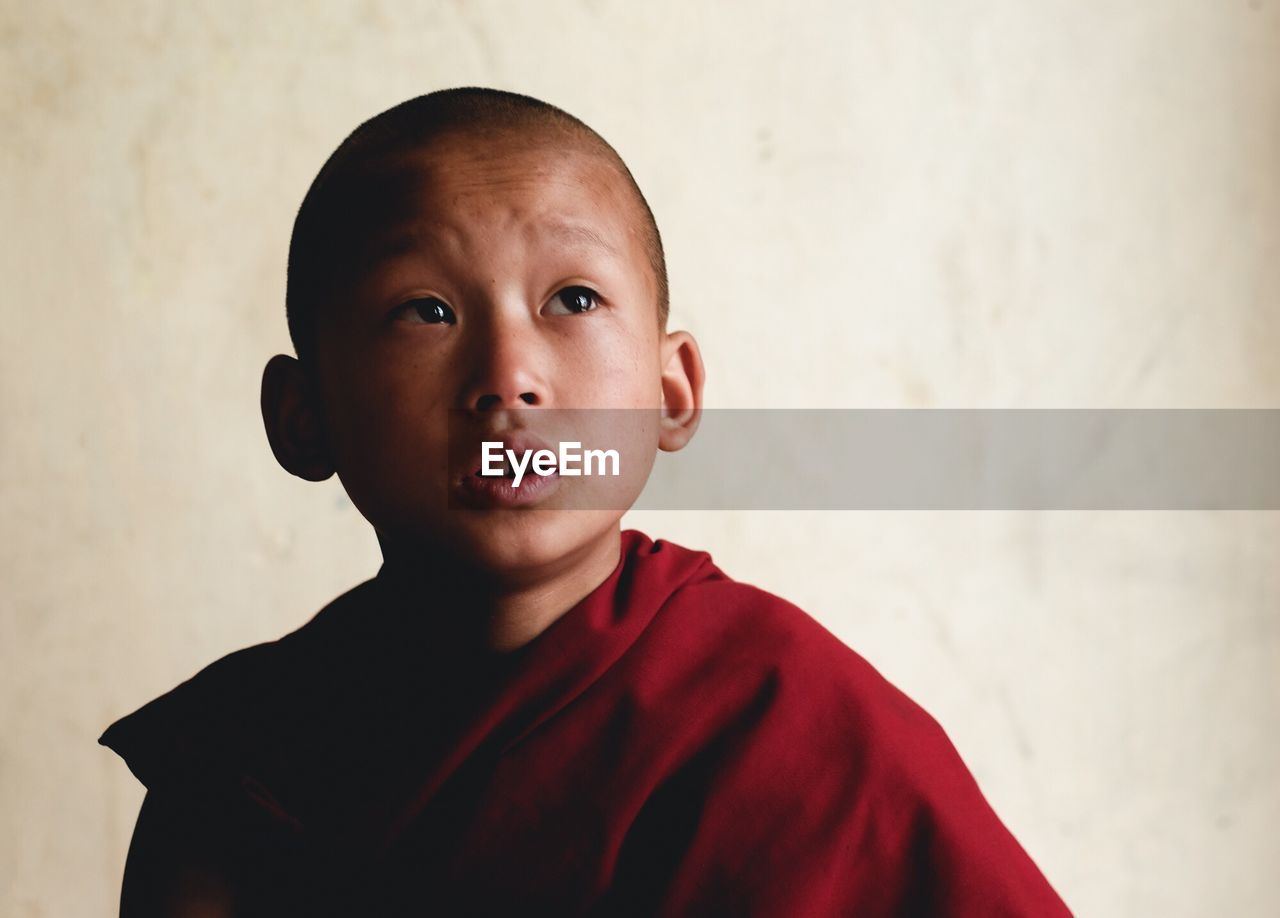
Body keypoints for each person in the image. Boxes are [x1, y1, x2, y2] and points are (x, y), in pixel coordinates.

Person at [101, 87, 1072, 916]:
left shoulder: (782, 717)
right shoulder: (243, 766)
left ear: (672, 391)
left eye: (571, 300)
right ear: (303, 415)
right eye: (423, 310)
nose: (508, 377)